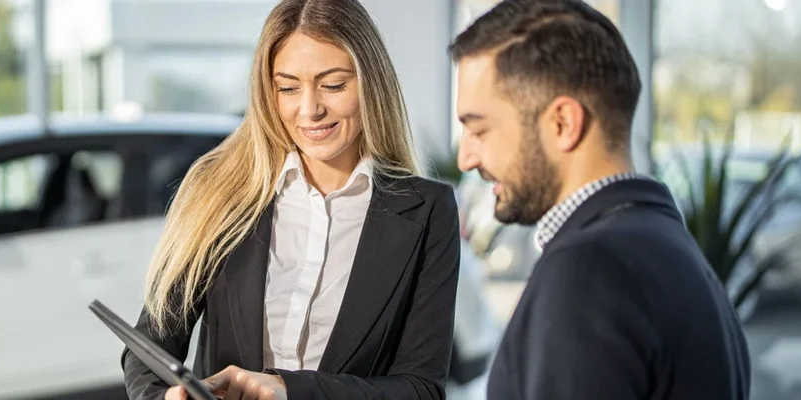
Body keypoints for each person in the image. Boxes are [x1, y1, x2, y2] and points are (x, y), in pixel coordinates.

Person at [122, 0, 461, 399]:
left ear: (372, 82)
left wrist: (291, 390)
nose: (310, 109)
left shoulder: (427, 212)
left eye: (333, 85)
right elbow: (147, 352)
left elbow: (421, 390)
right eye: (287, 88)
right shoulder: (220, 193)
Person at [449, 0, 751, 399]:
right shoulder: (671, 250)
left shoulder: (587, 271)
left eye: (480, 130)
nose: (465, 158)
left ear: (563, 123)